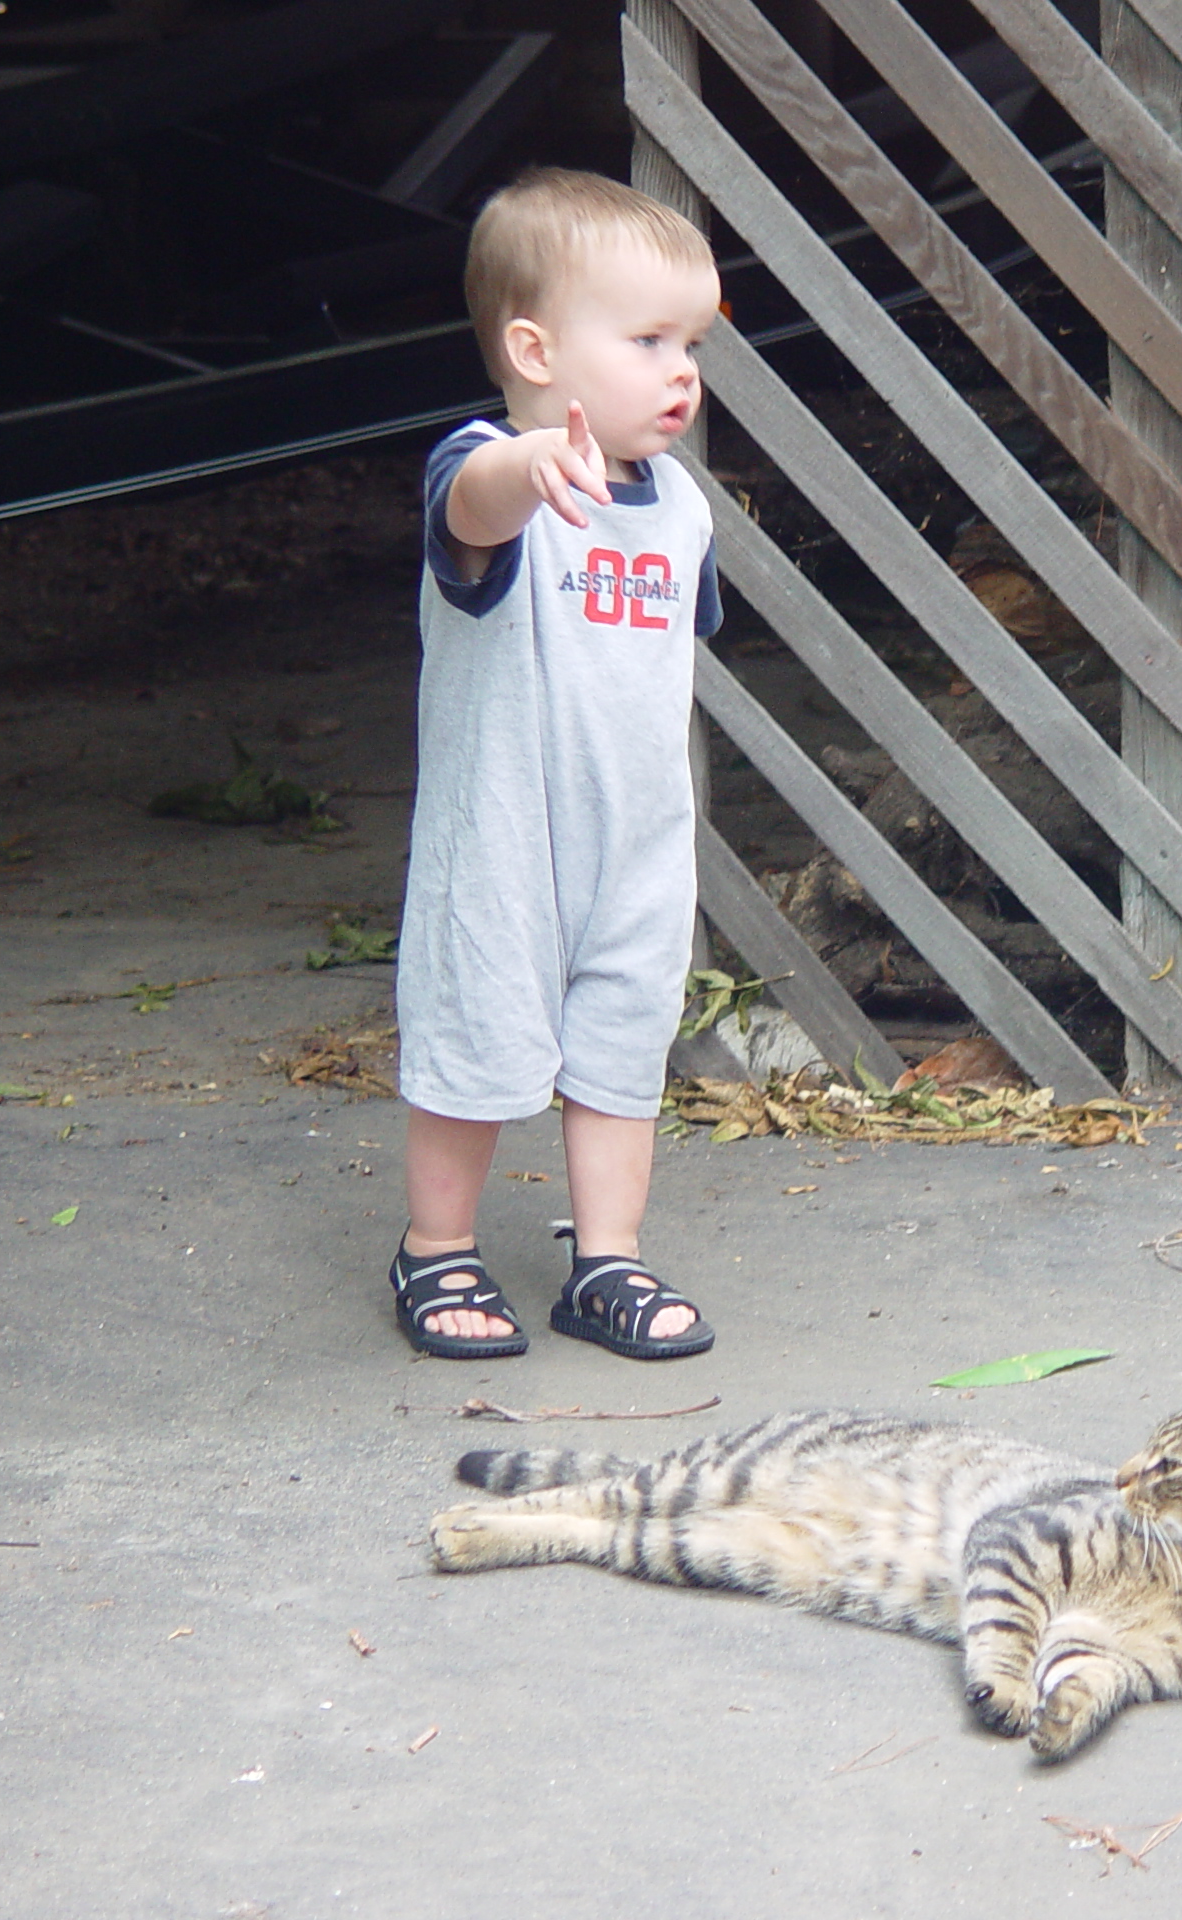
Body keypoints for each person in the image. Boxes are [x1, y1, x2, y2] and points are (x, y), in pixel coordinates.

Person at [387, 167, 724, 1364]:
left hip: (634, 839)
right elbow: (470, 515)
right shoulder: (486, 469)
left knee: (624, 1048)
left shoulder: (678, 508)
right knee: (474, 1039)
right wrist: (528, 472)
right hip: (505, 841)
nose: (680, 368)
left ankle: (606, 1261)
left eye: (690, 340)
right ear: (533, 349)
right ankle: (437, 1249)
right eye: (646, 339)